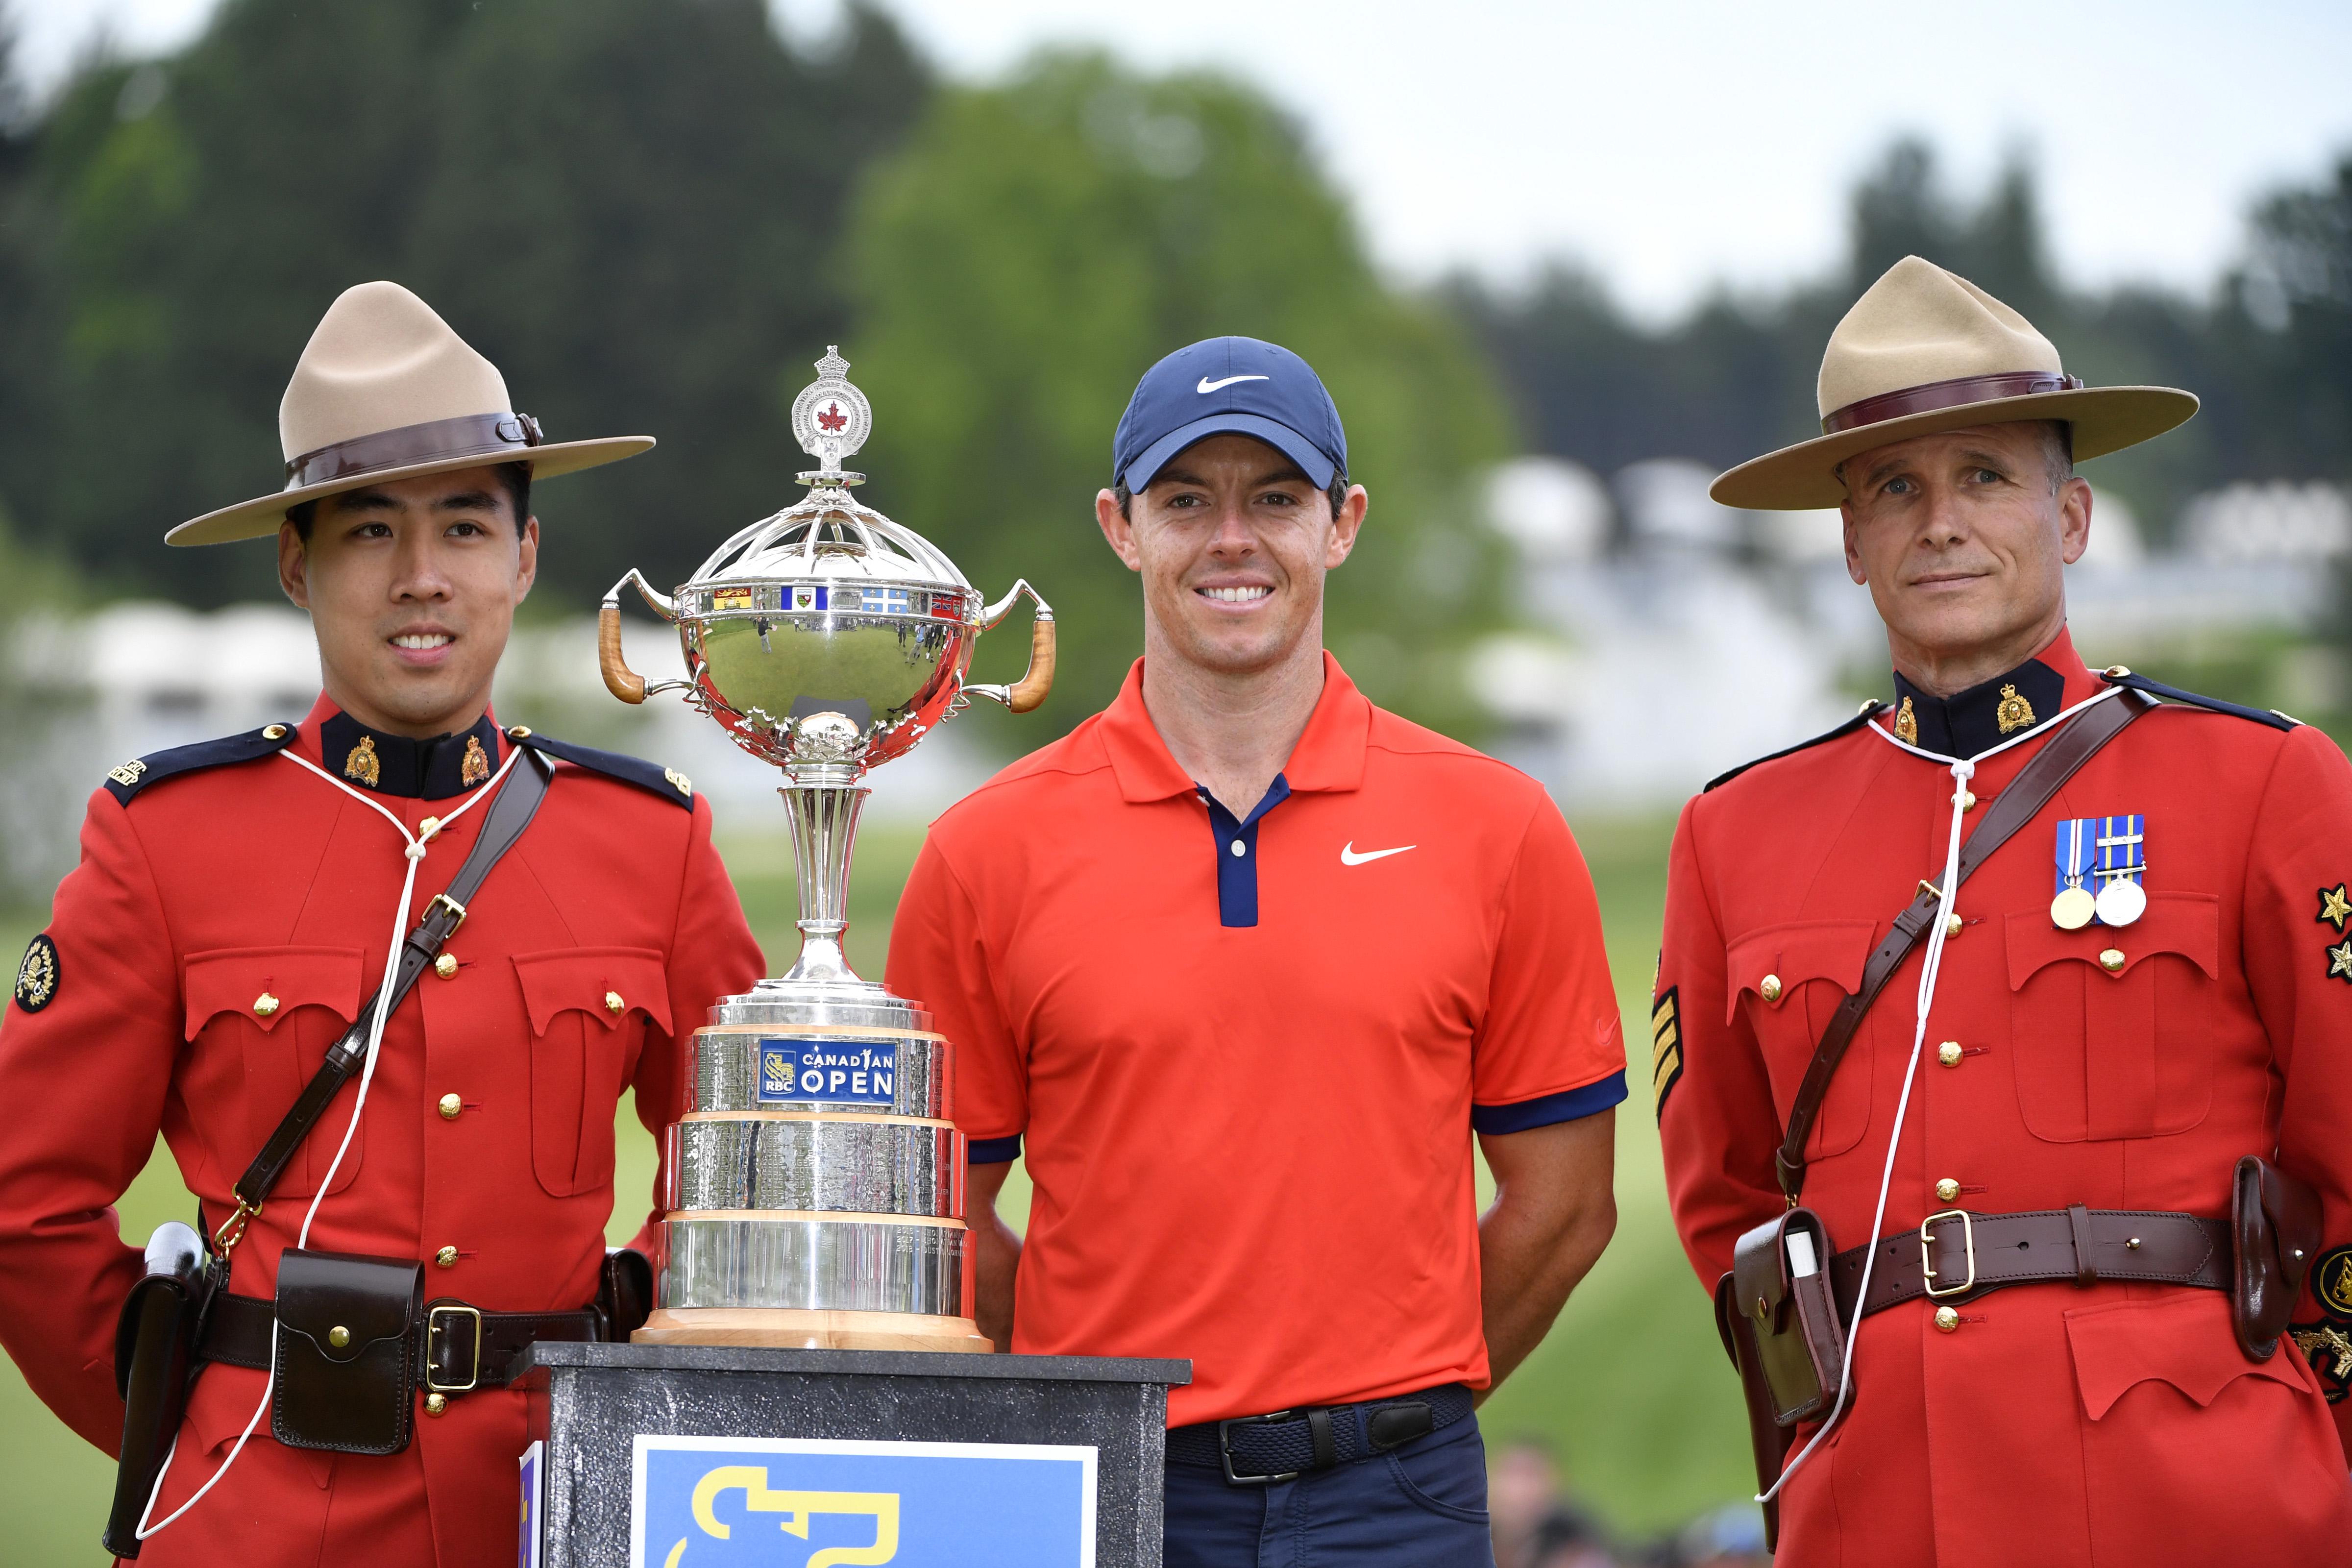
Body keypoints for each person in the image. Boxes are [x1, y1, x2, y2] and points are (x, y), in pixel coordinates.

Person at [0, 282, 764, 1565]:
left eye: (465, 527)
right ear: (298, 563)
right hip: (251, 1511)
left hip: (559, 1507)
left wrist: (632, 1358)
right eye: (369, 533)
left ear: (523, 557)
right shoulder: (165, 839)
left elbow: (741, 1173)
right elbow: (26, 1203)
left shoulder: (651, 843)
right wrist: (187, 1417)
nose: (422, 579)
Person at [885, 335, 1626, 1566]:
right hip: (1106, 1487)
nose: (1234, 538)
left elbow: (1565, 1204)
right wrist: (1086, 1388)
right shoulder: (987, 851)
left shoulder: (1496, 825)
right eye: (1189, 500)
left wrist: (1401, 1388)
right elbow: (937, 1219)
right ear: (1122, 527)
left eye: (1275, 498)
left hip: (1397, 1499)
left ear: (1343, 523)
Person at [1658, 255, 2352, 1565]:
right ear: (1851, 541)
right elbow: (1729, 1212)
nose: (1942, 523)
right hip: (1882, 1504)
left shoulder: (2264, 783)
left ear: (2074, 515)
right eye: (1897, 489)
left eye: (1986, 476)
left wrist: (2308, 1439)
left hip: (2204, 1498)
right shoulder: (1733, 835)